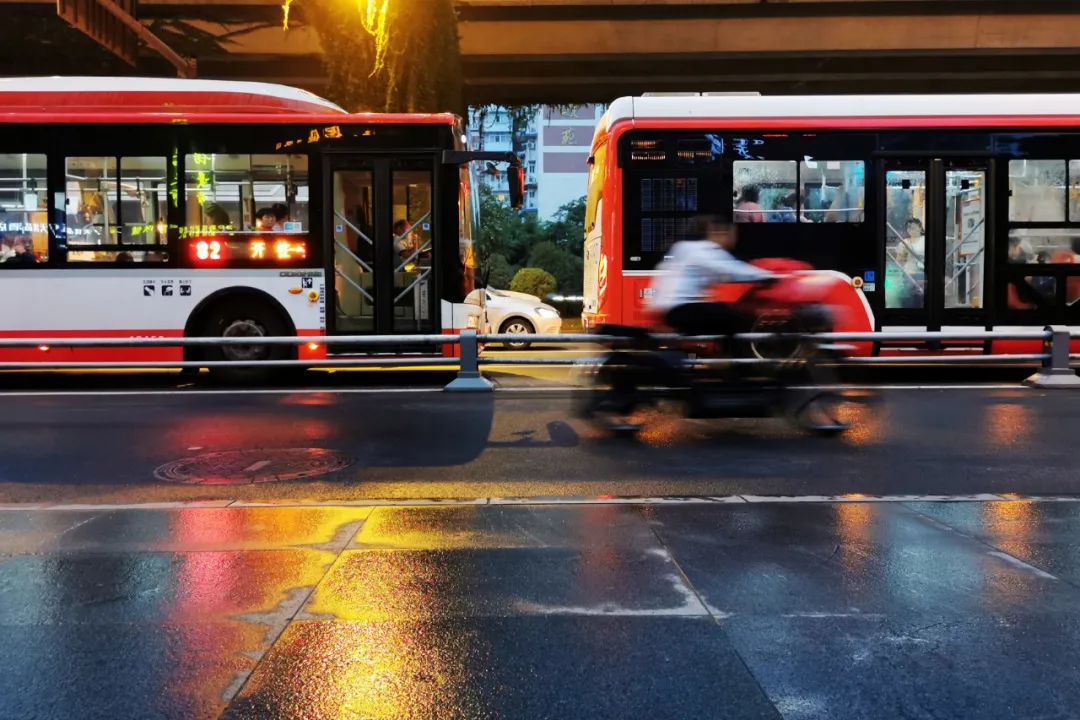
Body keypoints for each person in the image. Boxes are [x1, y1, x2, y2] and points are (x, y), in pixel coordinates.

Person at [650, 215, 775, 337]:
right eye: (733, 235)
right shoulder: (705, 249)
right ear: (720, 233)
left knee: (722, 315)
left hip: (664, 310)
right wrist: (766, 276)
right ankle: (735, 355)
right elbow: (730, 269)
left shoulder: (681, 247)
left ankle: (724, 353)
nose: (734, 240)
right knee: (736, 316)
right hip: (680, 310)